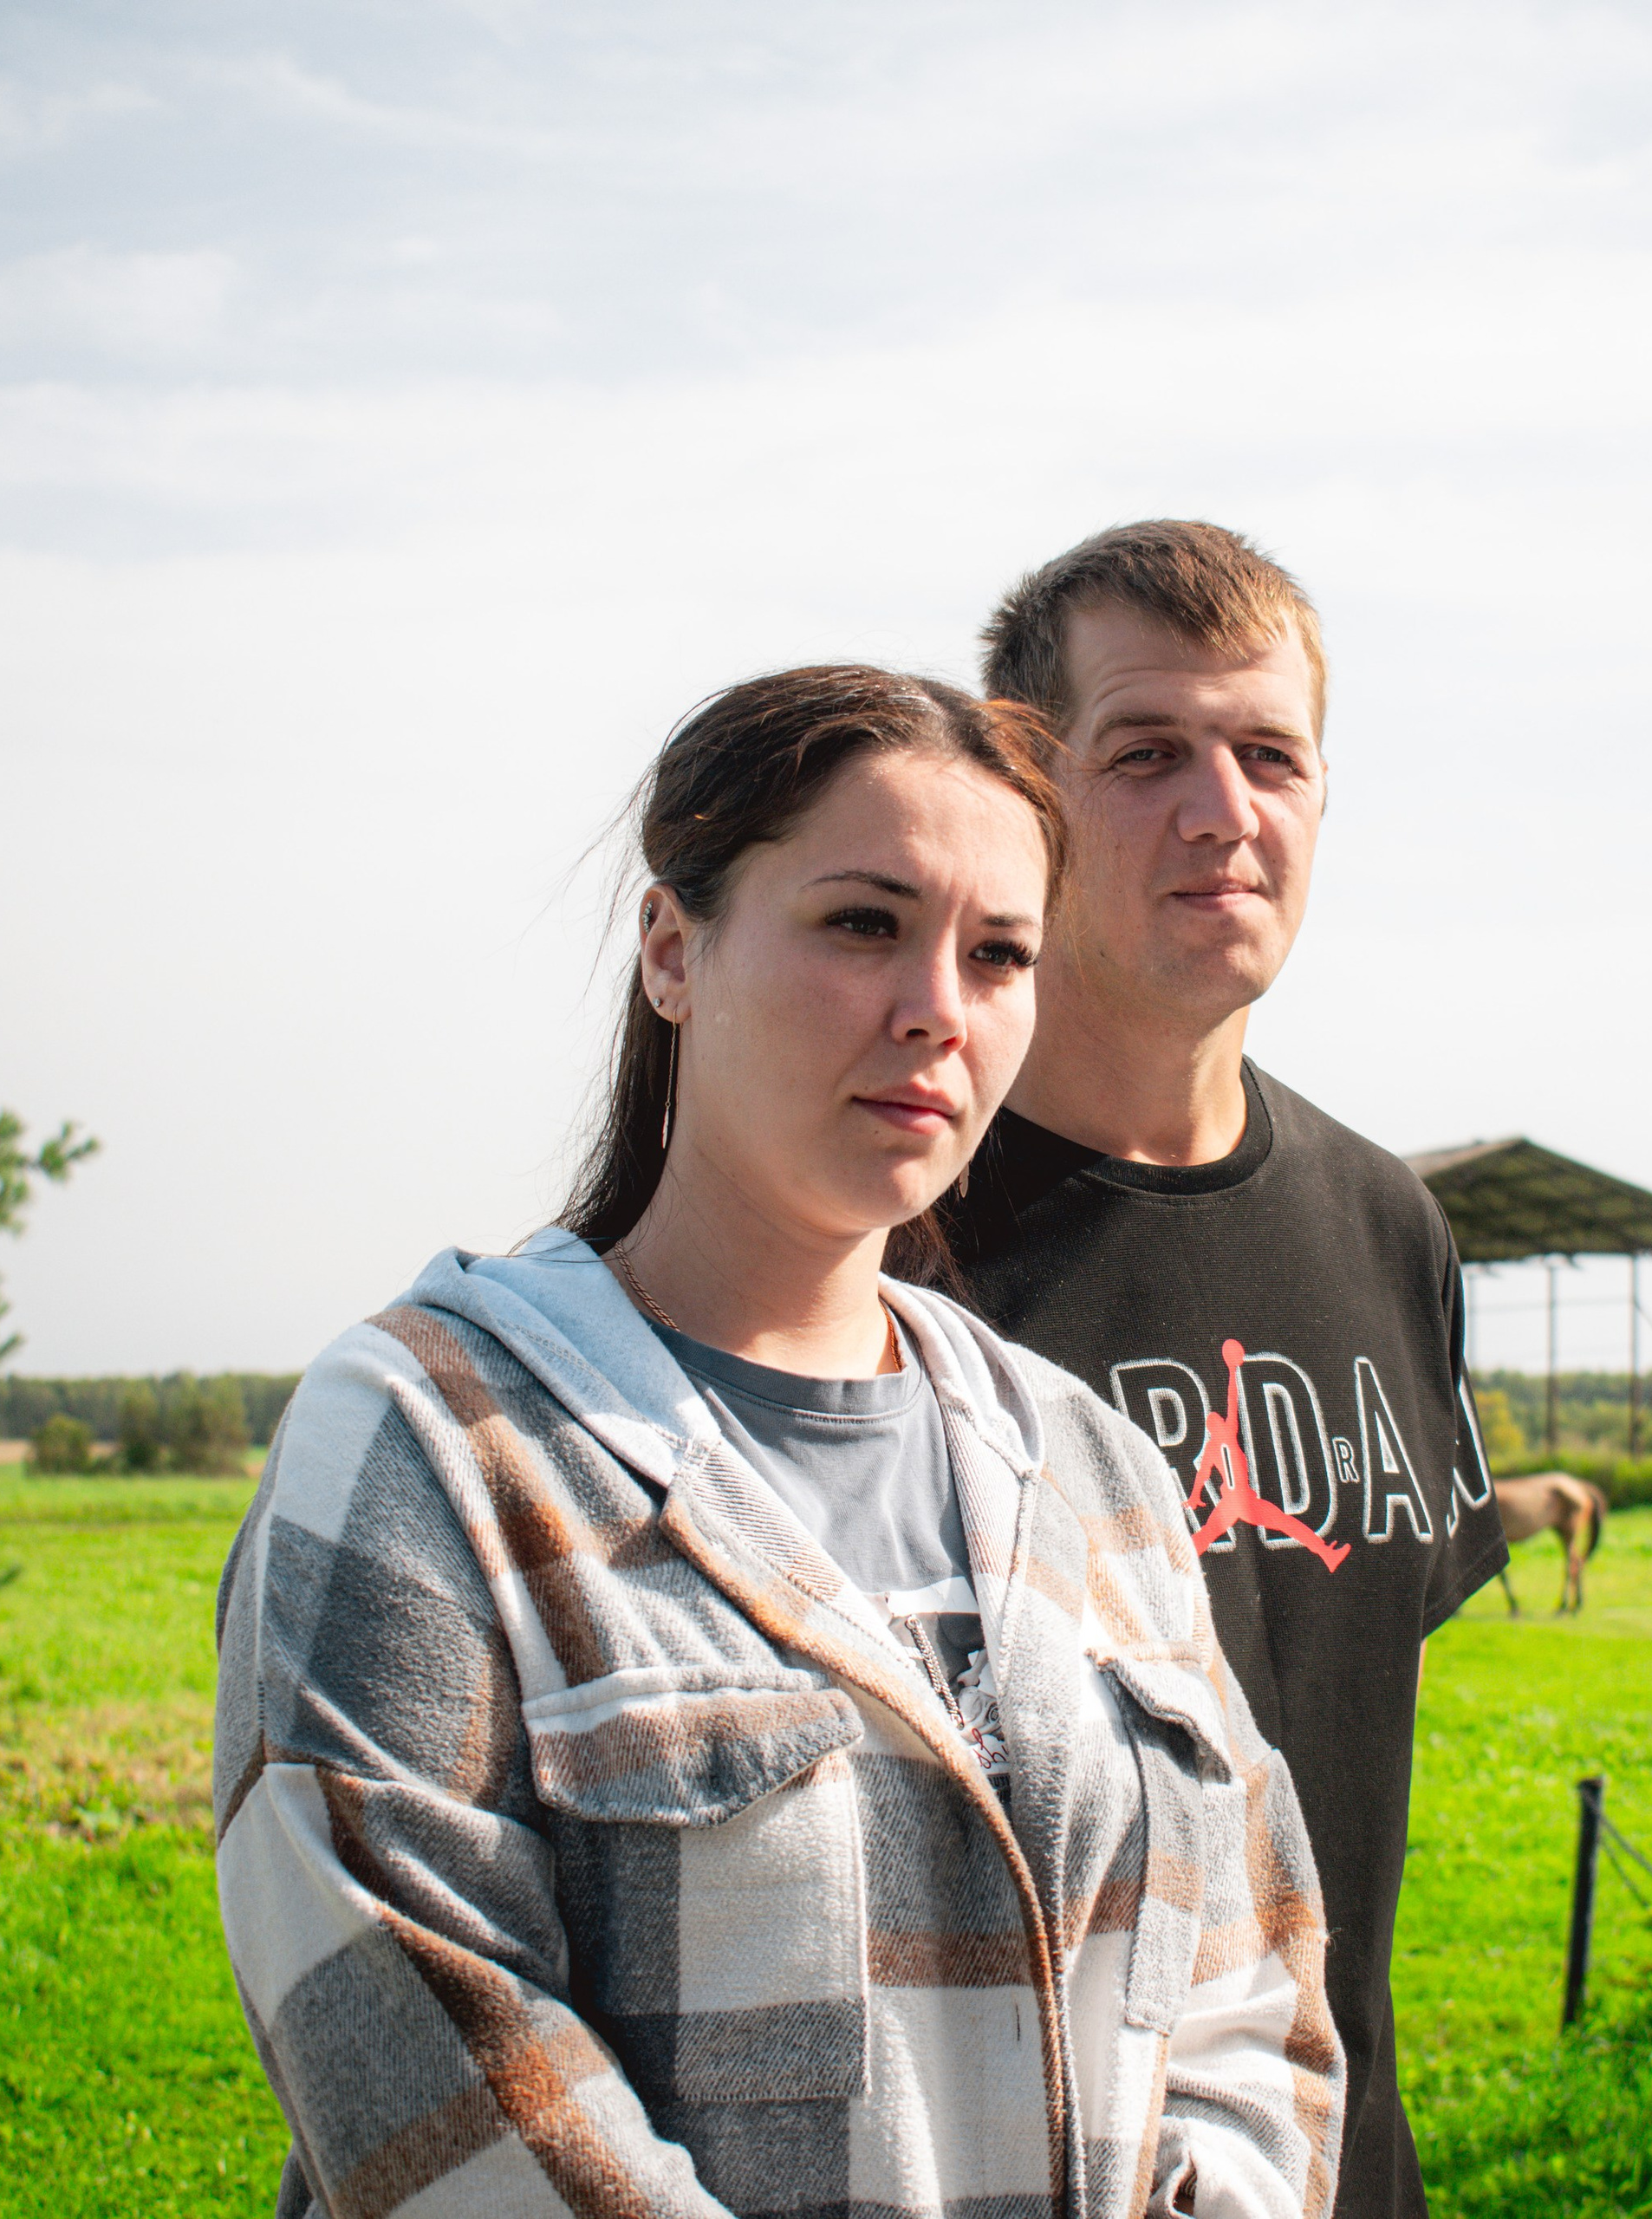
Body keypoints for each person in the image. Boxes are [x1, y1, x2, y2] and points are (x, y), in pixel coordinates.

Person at [213, 665, 1342, 2219]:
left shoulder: (1091, 1470)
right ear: (673, 949)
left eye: (999, 953)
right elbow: (427, 2076)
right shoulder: (431, 1446)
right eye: (863, 923)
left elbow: (1248, 1982)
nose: (935, 1009)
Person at [946, 526, 1510, 2219]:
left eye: (1268, 752)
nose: (1221, 806)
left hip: (1348, 2170)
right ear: (1024, 794)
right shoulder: (892, 1246)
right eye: (1145, 753)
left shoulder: (1385, 1221)